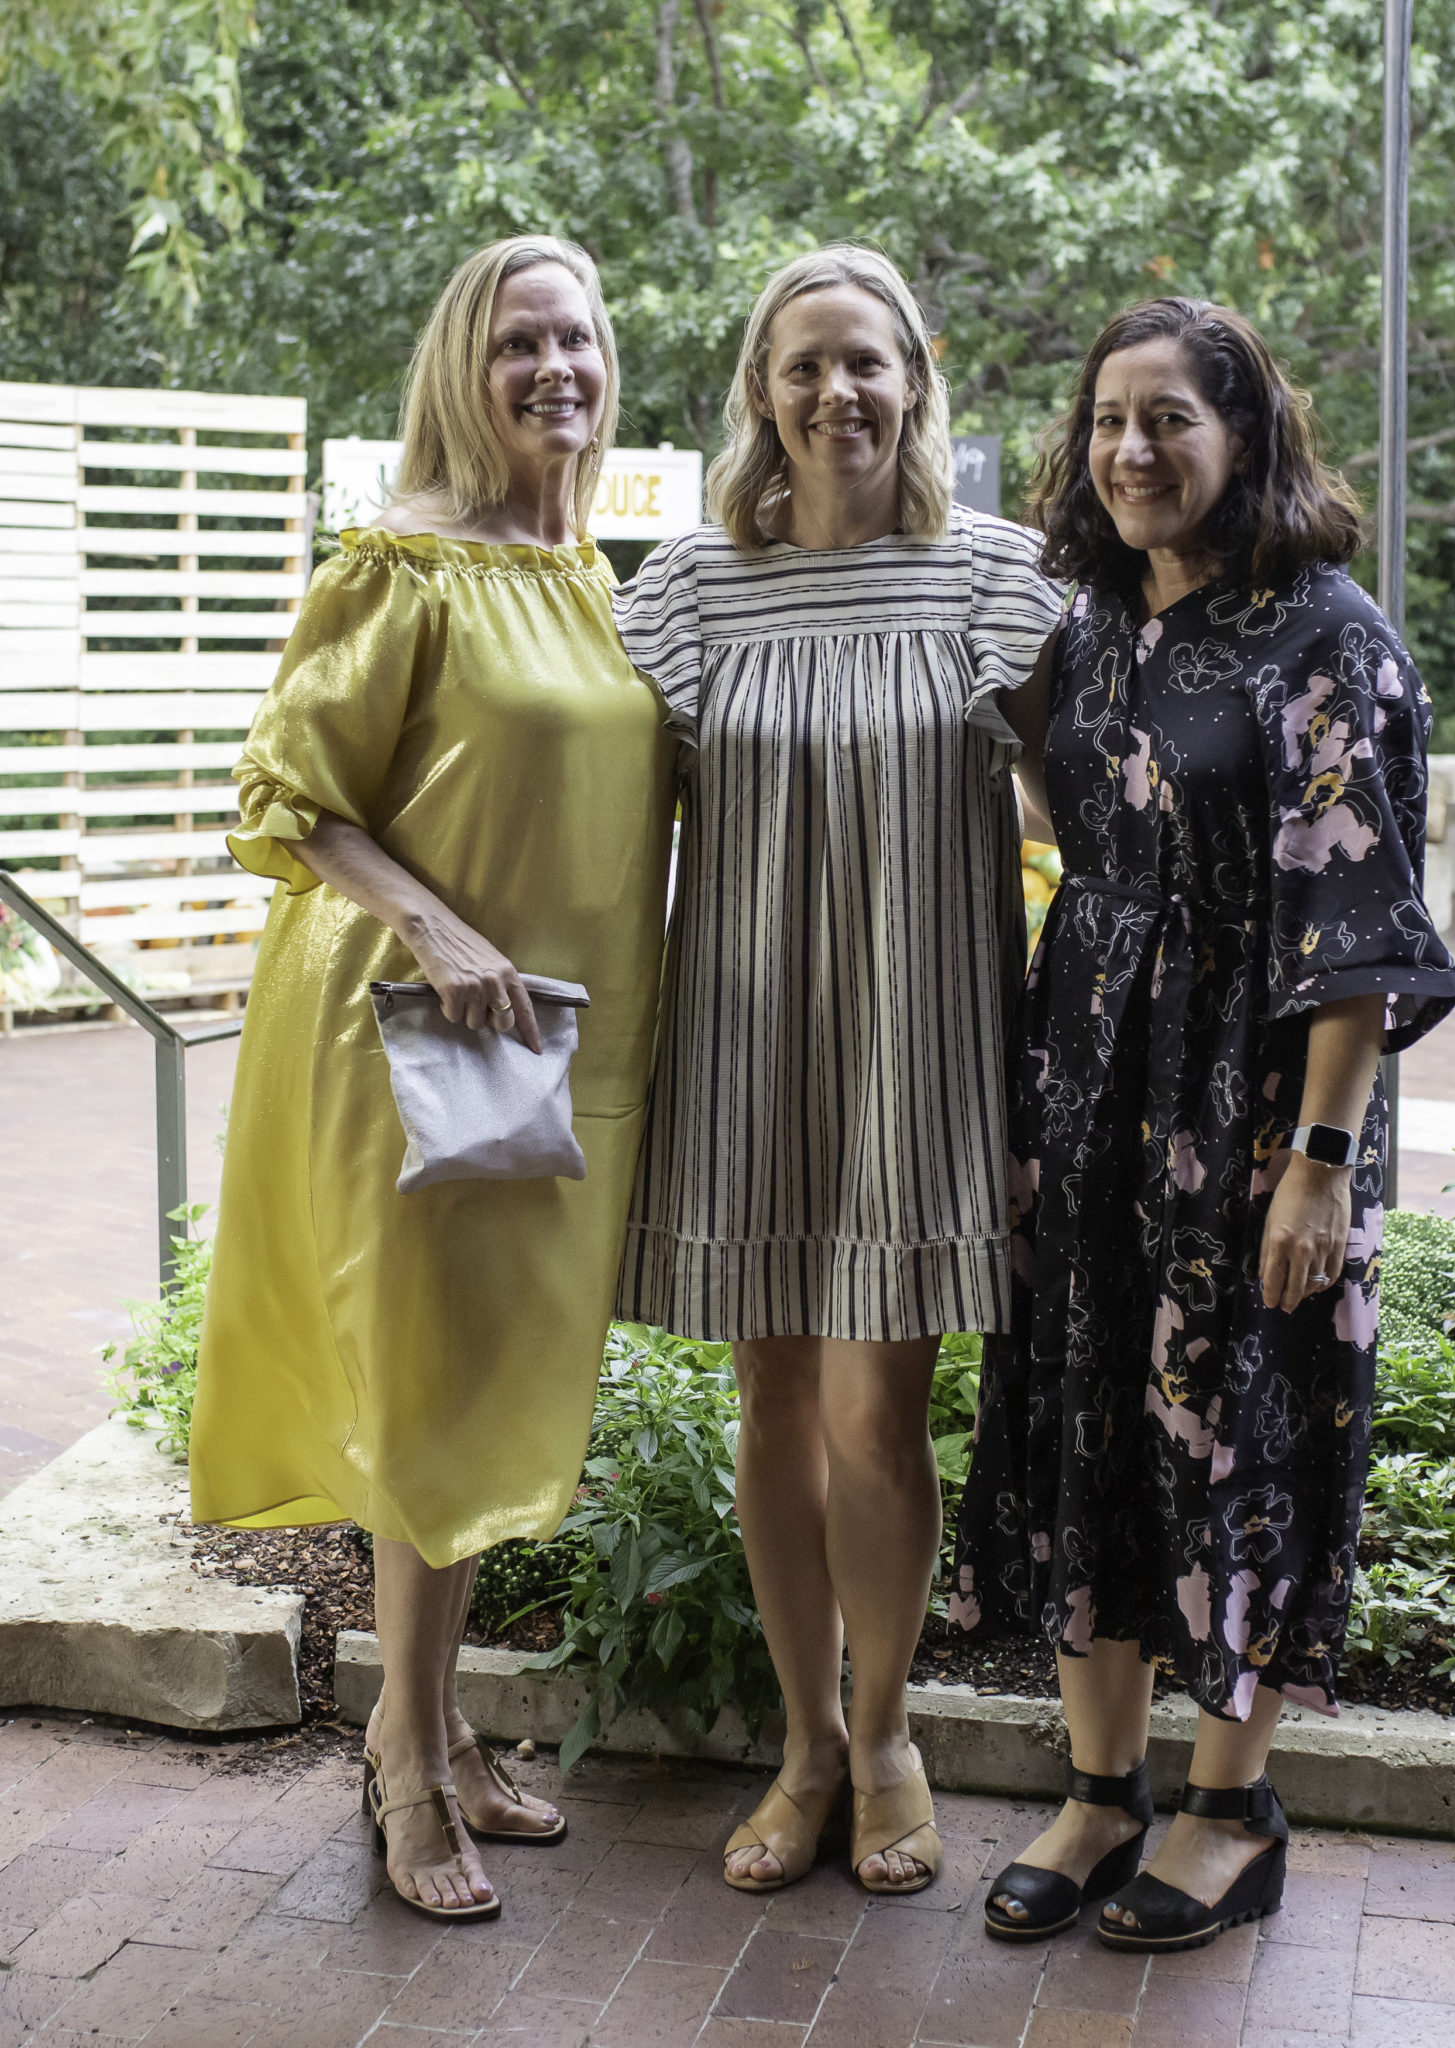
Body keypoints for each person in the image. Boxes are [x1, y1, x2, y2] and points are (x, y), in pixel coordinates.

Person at [952, 297, 1455, 1952]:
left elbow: (1362, 934)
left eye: (1170, 418)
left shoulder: (1325, 637)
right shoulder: (1095, 624)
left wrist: (1319, 1168)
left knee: (1245, 1432)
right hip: (1094, 1091)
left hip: (1253, 1116)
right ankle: (1102, 1792)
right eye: (1109, 420)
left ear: (1244, 436)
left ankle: (1231, 1812)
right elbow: (1089, 830)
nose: (1131, 450)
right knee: (1090, 1414)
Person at [190, 236, 677, 1923]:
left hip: (547, 1050)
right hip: (401, 1035)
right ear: (465, 372)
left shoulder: (596, 576)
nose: (555, 368)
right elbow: (287, 797)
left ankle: (439, 1723)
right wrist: (439, 926)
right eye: (517, 342)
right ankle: (402, 1754)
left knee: (479, 1383)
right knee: (420, 1388)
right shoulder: (400, 564)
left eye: (577, 338)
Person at [611, 245, 1063, 1895]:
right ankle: (804, 1748)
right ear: (761, 389)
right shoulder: (685, 591)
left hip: (919, 1051)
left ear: (916, 376)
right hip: (745, 1048)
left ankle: (886, 1742)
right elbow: (599, 834)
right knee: (774, 1401)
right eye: (803, 365)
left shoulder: (993, 580)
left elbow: (1098, 823)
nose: (836, 392)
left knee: (880, 1415)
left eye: (865, 361)